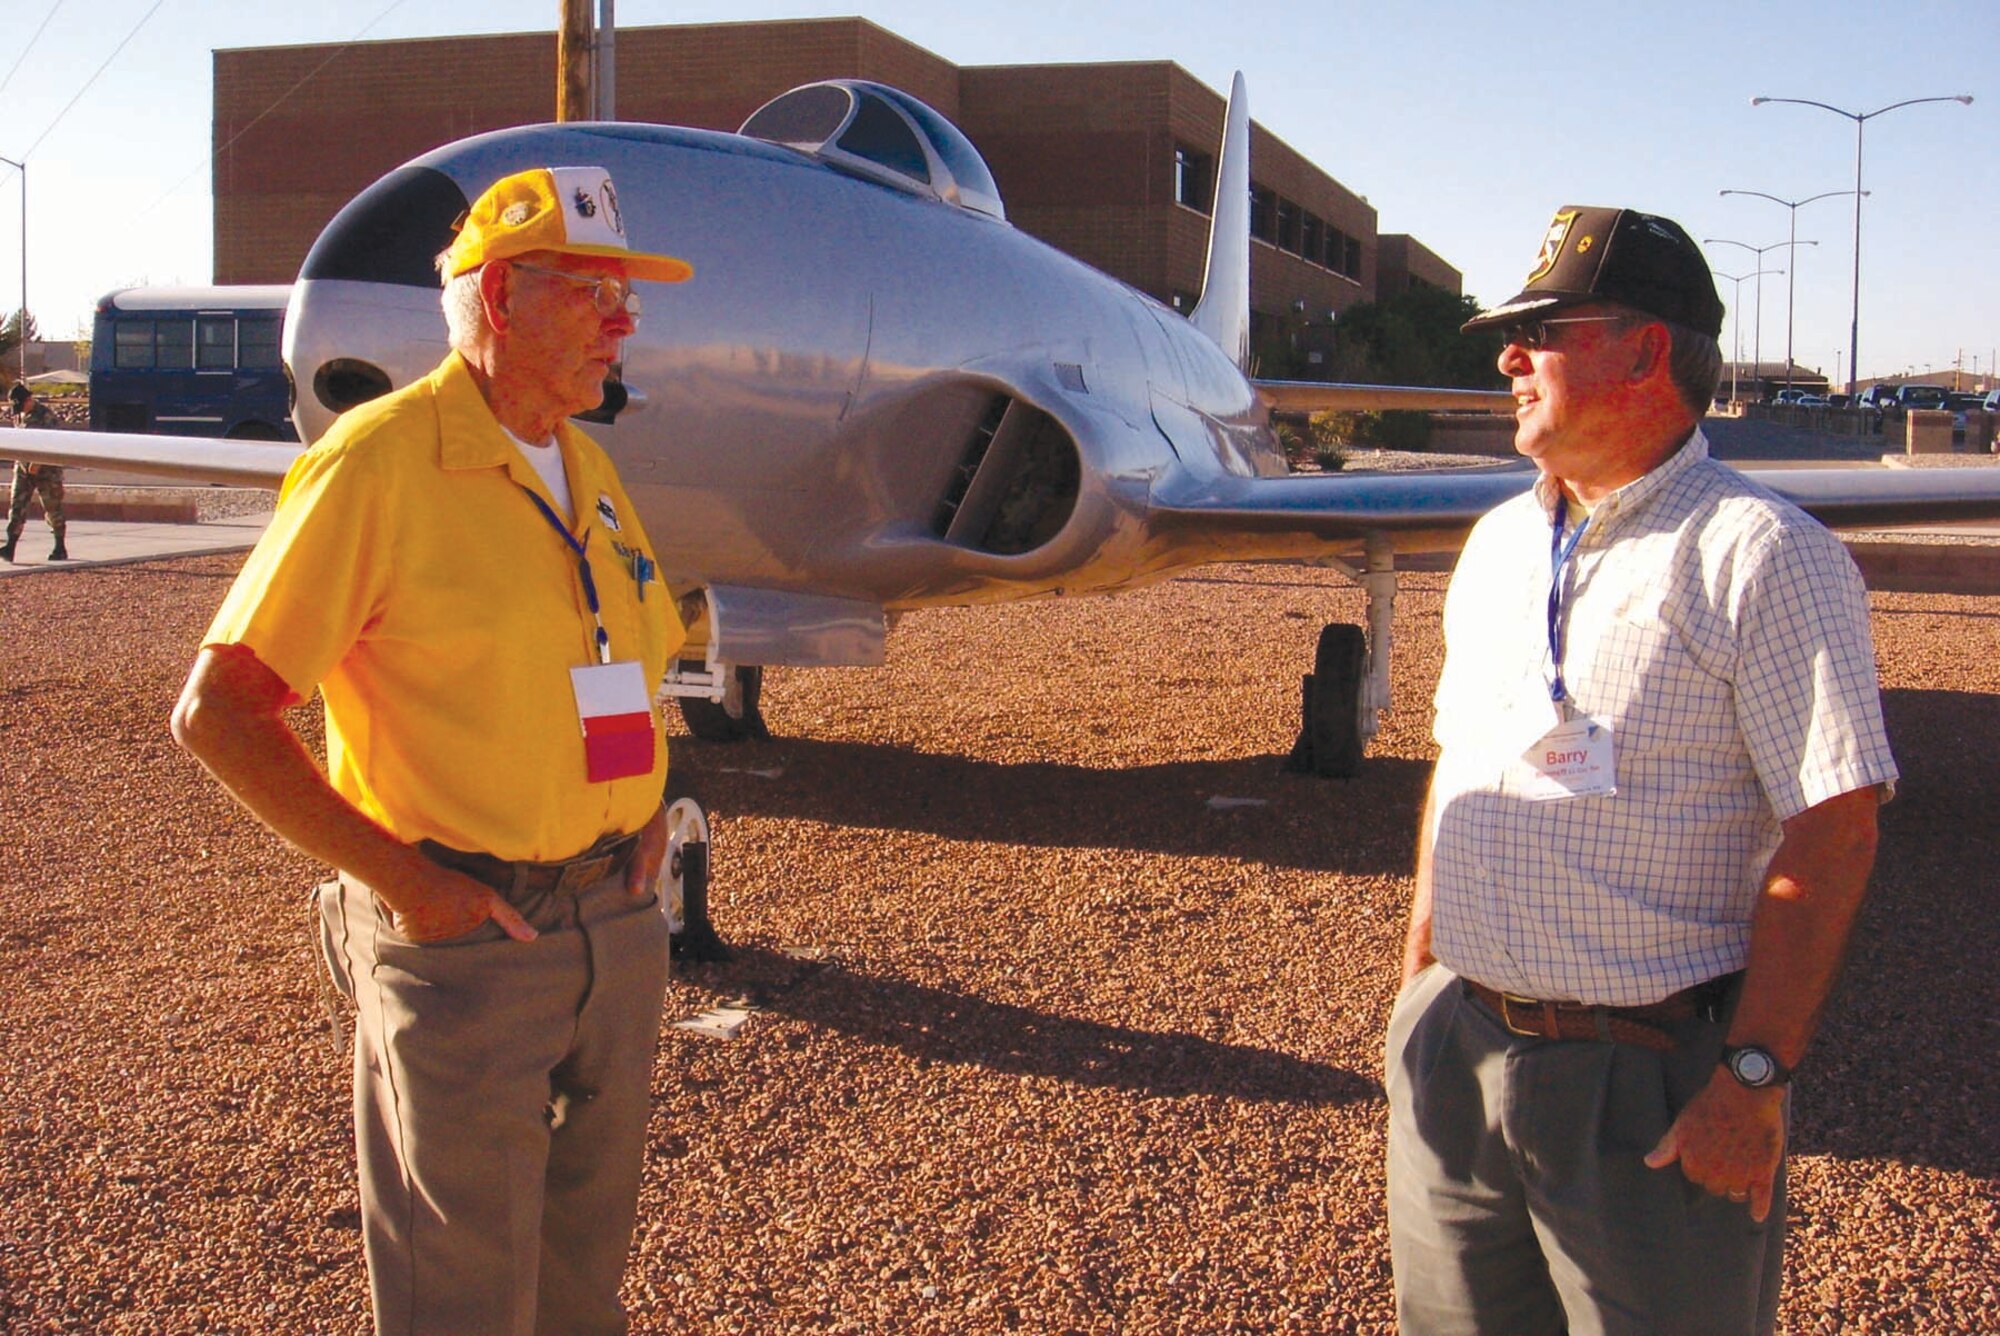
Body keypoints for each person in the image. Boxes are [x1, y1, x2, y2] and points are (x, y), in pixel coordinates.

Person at [171, 165, 694, 1335]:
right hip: (469, 943)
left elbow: (618, 651)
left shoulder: (585, 464)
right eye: (593, 292)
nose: (623, 322)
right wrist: (414, 887)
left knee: (577, 1290)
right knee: (457, 1301)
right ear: (502, 299)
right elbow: (222, 712)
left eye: (629, 297)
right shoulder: (380, 462)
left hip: (611, 915)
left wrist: (644, 809)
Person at [1386, 205, 1897, 1336]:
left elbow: (1836, 827)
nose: (1506, 357)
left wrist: (1751, 1077)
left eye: (1541, 329)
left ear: (1644, 348)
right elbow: (1455, 755)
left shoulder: (1763, 555)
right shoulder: (1497, 544)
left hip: (1644, 1083)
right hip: (1456, 1051)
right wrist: (1420, 981)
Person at [3, 381, 67, 562]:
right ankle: (10, 546)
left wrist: (37, 463)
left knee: (52, 507)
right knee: (17, 506)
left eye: (21, 404)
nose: (20, 409)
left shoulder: (46, 416)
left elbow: (53, 443)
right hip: (23, 469)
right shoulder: (19, 415)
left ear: (29, 399)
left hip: (47, 471)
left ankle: (59, 546)